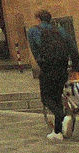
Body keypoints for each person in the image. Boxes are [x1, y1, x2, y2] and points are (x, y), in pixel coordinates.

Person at [26, 11, 74, 140]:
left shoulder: (33, 31)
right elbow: (72, 46)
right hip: (63, 67)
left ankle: (63, 117)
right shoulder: (60, 30)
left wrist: (43, 66)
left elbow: (36, 52)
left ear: (38, 19)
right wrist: (75, 66)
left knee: (46, 98)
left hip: (48, 68)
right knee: (57, 97)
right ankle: (58, 132)